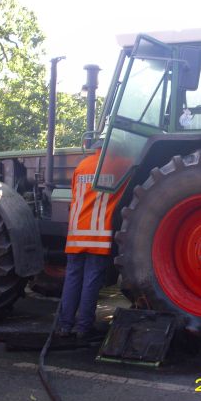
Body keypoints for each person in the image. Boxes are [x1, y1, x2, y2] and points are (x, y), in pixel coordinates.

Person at [57, 140, 127, 340]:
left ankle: (64, 326)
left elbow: (74, 194)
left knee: (72, 279)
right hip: (98, 235)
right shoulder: (118, 166)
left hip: (76, 232)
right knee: (91, 281)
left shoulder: (81, 166)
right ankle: (83, 327)